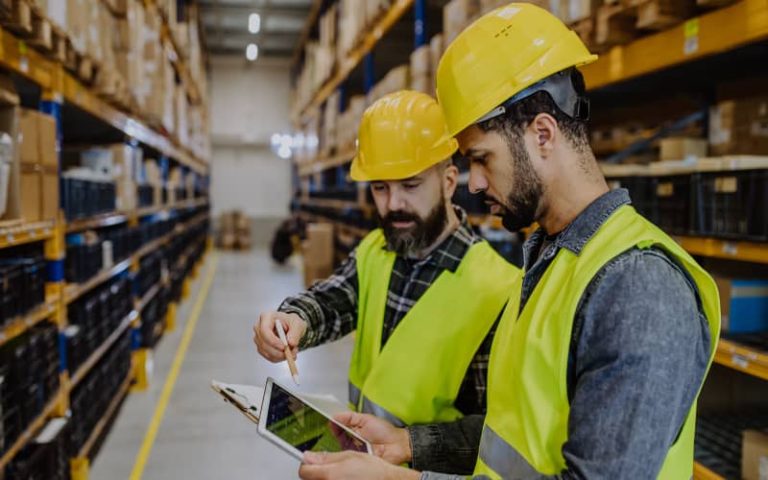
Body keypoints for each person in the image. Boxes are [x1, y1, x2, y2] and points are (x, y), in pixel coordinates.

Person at [297, 4, 721, 480]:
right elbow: (512, 433)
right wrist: (408, 443)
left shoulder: (638, 287)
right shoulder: (550, 259)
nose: (474, 183)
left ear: (542, 133)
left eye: (482, 158)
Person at [253, 90, 518, 429]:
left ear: (449, 182)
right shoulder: (376, 249)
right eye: (380, 188)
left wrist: (410, 448)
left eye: (410, 185)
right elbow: (332, 299)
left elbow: (489, 430)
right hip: (361, 454)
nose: (393, 204)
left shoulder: (496, 290)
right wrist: (294, 319)